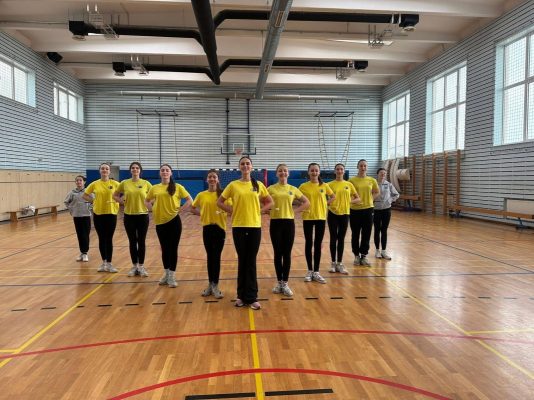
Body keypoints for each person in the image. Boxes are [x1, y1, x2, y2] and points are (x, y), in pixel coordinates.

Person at [217, 156, 273, 310]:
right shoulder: (233, 185)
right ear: (239, 167)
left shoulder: (258, 184)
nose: (245, 166)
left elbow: (270, 202)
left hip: (254, 226)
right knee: (242, 260)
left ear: (251, 167)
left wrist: (260, 211)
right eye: (242, 164)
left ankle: (252, 297)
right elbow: (219, 202)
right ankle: (241, 296)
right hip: (239, 227)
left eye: (248, 163)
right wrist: (232, 210)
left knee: (251, 261)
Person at [145, 164, 192, 288]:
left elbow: (189, 200)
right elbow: (146, 200)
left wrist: (181, 210)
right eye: (162, 170)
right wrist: (152, 209)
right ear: (160, 173)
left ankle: (172, 276)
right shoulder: (154, 188)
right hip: (160, 222)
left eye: (167, 170)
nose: (165, 172)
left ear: (171, 173)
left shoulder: (178, 187)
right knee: (164, 249)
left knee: (173, 249)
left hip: (174, 222)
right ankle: (166, 274)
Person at [267, 164, 309, 297]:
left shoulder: (293, 189)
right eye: (280, 171)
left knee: (287, 253)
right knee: (277, 253)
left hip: (289, 223)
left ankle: (285, 283)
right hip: (275, 223)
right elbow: (260, 201)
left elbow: (306, 202)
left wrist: (294, 211)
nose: (283, 173)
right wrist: (266, 211)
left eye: (285, 171)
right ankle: (279, 282)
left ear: (288, 173)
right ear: (276, 173)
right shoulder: (271, 189)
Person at [191, 169, 230, 299]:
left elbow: (232, 209)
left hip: (220, 229)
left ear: (218, 179)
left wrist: (226, 213)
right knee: (210, 257)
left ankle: (216, 285)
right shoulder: (201, 195)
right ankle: (210, 284)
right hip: (207, 229)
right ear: (206, 179)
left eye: (214, 177)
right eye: (210, 177)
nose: (212, 179)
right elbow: (192, 208)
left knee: (216, 257)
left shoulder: (224, 195)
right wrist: (202, 214)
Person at [113, 162, 152, 277]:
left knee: (141, 241)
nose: (135, 169)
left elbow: (154, 196)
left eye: (137, 168)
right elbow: (115, 195)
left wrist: (149, 204)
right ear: (130, 170)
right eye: (133, 168)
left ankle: (141, 266)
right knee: (132, 241)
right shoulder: (124, 183)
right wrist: (122, 202)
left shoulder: (146, 183)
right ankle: (134, 266)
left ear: (140, 170)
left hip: (142, 216)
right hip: (129, 216)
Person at [298, 163, 335, 284]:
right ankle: (309, 270)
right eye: (312, 170)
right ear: (308, 172)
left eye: (316, 170)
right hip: (308, 217)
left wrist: (325, 203)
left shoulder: (324, 185)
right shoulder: (303, 186)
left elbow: (333, 196)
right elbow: (297, 198)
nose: (314, 172)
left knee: (318, 244)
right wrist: (302, 205)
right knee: (309, 243)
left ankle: (316, 271)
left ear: (319, 172)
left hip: (320, 218)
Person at [83, 163, 120, 273]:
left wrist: (119, 200)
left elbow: (125, 193)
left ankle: (109, 264)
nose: (104, 170)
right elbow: (85, 195)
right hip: (98, 214)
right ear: (99, 171)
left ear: (109, 171)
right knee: (101, 238)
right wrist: (94, 201)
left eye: (107, 169)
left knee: (109, 239)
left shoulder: (115, 183)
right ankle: (104, 263)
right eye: (102, 168)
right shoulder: (94, 184)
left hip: (111, 214)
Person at [327, 163, 360, 274]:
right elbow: (324, 199)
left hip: (345, 214)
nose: (339, 171)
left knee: (341, 239)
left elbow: (358, 198)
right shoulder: (329, 185)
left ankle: (340, 263)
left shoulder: (349, 184)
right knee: (333, 238)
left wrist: (349, 201)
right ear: (334, 171)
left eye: (341, 169)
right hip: (333, 214)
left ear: (344, 171)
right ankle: (333, 263)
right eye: (337, 169)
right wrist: (327, 203)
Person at [349, 159, 379, 267]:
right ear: (357, 167)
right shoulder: (351, 180)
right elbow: (348, 194)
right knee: (355, 233)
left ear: (367, 167)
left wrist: (371, 199)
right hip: (355, 210)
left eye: (365, 166)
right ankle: (356, 256)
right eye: (361, 166)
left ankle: (364, 255)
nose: (363, 167)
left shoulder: (372, 180)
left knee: (366, 233)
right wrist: (352, 201)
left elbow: (376, 192)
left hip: (368, 209)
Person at [64, 175, 92, 262]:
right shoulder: (72, 192)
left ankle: (85, 253)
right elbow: (66, 202)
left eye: (80, 180)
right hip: (76, 216)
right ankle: (82, 252)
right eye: (77, 180)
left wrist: (89, 208)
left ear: (84, 182)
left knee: (85, 235)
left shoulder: (88, 191)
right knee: (80, 235)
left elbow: (94, 201)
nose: (78, 182)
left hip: (86, 216)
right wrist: (72, 210)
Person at [373, 167, 399, 260]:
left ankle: (384, 251)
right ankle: (377, 250)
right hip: (376, 210)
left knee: (384, 230)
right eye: (381, 173)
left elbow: (396, 194)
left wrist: (390, 200)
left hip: (386, 210)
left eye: (384, 173)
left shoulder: (389, 184)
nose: (383, 174)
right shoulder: (373, 184)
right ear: (378, 174)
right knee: (377, 230)